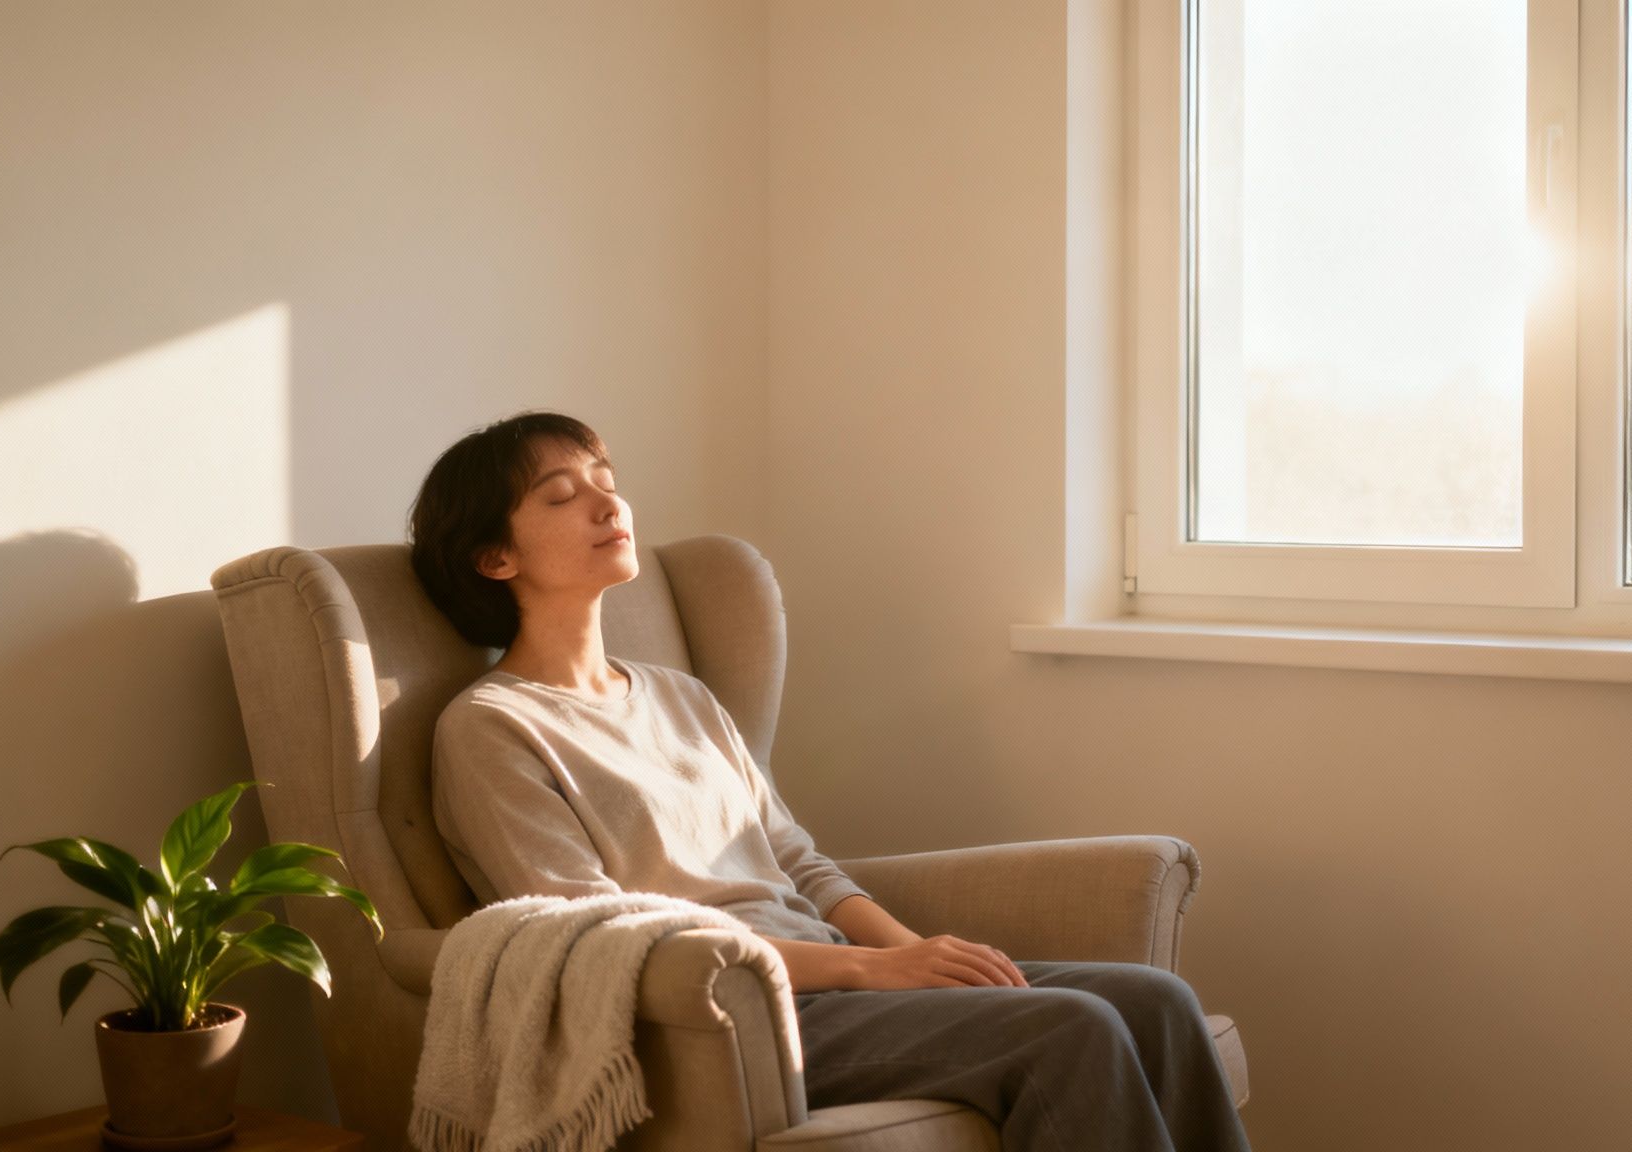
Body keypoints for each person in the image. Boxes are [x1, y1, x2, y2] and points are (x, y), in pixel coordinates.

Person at [408, 410, 1250, 1152]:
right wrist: (865, 974)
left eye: (607, 480)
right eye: (562, 496)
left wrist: (905, 953)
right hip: (723, 1019)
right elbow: (596, 944)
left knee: (1155, 1002)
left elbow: (797, 862)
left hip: (833, 973)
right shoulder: (491, 728)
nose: (608, 504)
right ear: (494, 557)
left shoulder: (680, 695)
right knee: (1074, 1029)